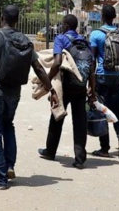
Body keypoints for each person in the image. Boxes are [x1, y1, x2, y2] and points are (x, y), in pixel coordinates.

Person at [0, 5, 59, 190]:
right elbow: (37, 67)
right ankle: (10, 166)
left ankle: (0, 178)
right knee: (8, 126)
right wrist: (51, 89)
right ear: (17, 20)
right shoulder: (24, 40)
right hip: (14, 93)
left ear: (2, 18)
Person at [38, 14, 96, 169]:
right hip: (81, 86)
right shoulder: (85, 42)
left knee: (57, 116)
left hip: (65, 85)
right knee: (80, 123)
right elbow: (92, 68)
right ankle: (79, 159)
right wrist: (92, 90)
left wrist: (47, 80)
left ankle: (50, 151)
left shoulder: (61, 39)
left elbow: (57, 63)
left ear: (64, 25)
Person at [89, 5, 119, 158]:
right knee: (115, 110)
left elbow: (92, 61)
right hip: (117, 76)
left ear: (102, 16)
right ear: (114, 17)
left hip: (102, 76)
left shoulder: (95, 34)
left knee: (103, 111)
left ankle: (104, 148)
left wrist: (91, 83)